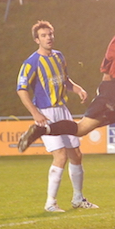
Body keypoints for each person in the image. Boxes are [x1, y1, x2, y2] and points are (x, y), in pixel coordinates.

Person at [18, 1, 115, 215]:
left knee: (81, 128)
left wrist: (103, 94)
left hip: (110, 88)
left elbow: (106, 72)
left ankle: (43, 130)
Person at [16, 21, 97, 213]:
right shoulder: (31, 63)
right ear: (37, 40)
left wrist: (77, 89)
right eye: (44, 35)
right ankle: (50, 203)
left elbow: (65, 80)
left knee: (76, 155)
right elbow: (21, 89)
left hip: (63, 110)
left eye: (50, 34)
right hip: (46, 113)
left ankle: (78, 198)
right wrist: (35, 113)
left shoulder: (59, 56)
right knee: (60, 156)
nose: (48, 38)